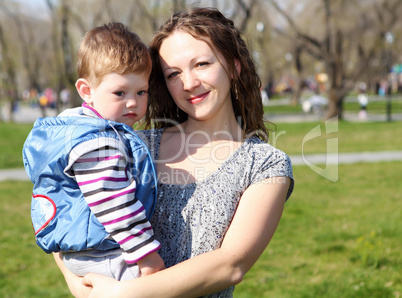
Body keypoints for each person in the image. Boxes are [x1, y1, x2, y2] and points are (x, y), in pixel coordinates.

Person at [55, 7, 294, 297]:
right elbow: (62, 209)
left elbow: (231, 265)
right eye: (173, 74)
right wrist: (84, 289)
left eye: (202, 64)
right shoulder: (132, 146)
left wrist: (122, 294)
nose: (189, 83)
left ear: (234, 66)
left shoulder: (265, 165)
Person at [23, 22, 165, 281]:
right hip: (108, 256)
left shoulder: (78, 128)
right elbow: (114, 203)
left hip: (88, 251)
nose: (133, 101)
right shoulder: (97, 143)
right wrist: (147, 257)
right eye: (120, 92)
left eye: (141, 91)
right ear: (87, 91)